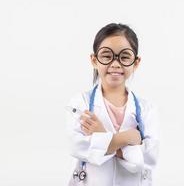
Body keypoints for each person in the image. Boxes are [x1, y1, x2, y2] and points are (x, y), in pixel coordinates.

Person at [65, 23, 159, 186]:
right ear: (94, 60)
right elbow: (76, 146)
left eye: (124, 57)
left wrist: (101, 137)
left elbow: (147, 158)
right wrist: (127, 138)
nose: (115, 64)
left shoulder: (146, 110)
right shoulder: (81, 103)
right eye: (107, 56)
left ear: (136, 62)